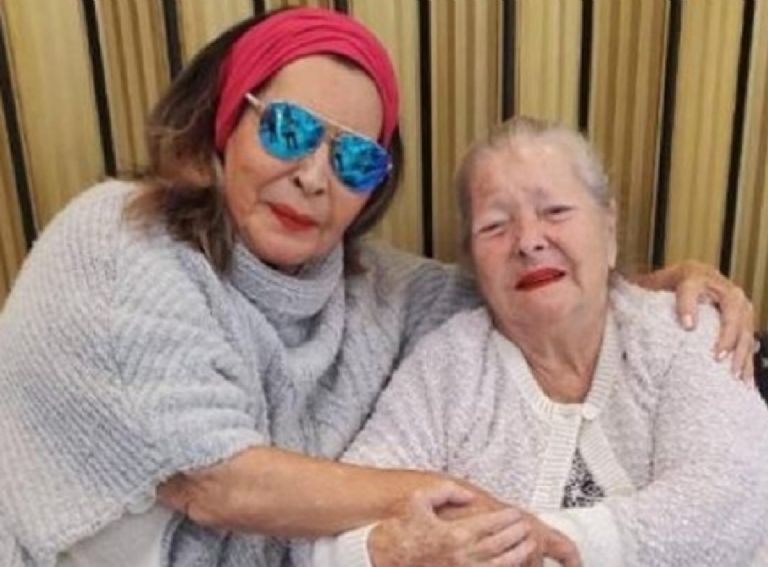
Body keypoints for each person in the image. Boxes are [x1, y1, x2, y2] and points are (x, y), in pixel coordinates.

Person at [0, 7, 756, 567]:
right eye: (289, 130)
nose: (314, 176)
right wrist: (479, 511)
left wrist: (645, 286)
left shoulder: (376, 289)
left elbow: (518, 282)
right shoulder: (119, 236)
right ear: (225, 119)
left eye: (355, 159)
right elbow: (213, 481)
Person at [310, 117, 768, 566]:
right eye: (495, 226)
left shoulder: (687, 331)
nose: (528, 241)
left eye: (555, 212)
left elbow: (731, 501)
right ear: (472, 262)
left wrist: (543, 545)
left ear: (608, 227)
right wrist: (380, 553)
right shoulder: (447, 367)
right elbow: (338, 534)